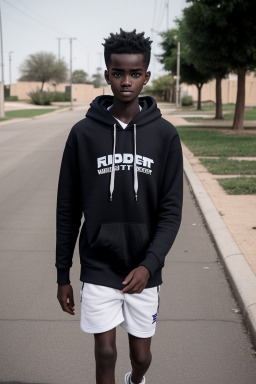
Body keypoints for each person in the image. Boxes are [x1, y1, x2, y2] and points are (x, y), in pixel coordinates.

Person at [56, 28, 183, 384]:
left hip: (144, 267)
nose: (126, 81)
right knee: (106, 352)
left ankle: (136, 379)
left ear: (146, 76)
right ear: (107, 74)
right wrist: (62, 273)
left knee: (141, 357)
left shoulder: (165, 135)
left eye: (134, 73)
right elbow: (67, 208)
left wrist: (149, 264)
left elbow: (171, 211)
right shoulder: (83, 134)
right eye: (118, 73)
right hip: (98, 263)